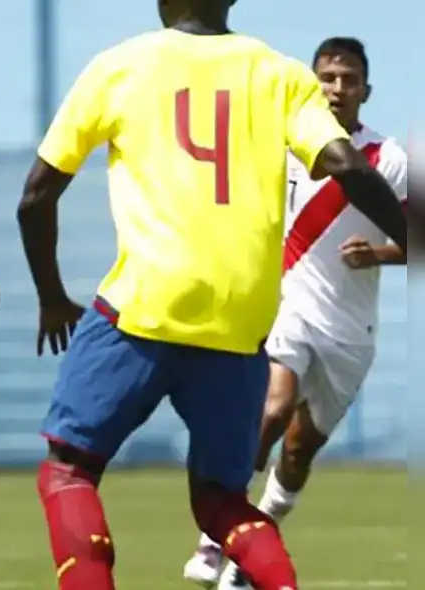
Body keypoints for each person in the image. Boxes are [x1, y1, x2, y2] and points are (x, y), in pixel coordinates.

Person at [15, 1, 407, 589]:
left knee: (69, 471)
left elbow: (36, 198)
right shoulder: (277, 73)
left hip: (144, 307)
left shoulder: (120, 66)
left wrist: (51, 295)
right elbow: (346, 163)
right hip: (242, 320)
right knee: (223, 499)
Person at [183, 37, 407, 590]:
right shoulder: (282, 144)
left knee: (300, 451)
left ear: (365, 90)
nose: (336, 88)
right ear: (311, 82)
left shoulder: (391, 159)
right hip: (286, 307)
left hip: (352, 331)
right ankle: (216, 534)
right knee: (271, 408)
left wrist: (378, 254)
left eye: (348, 79)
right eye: (327, 77)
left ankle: (244, 558)